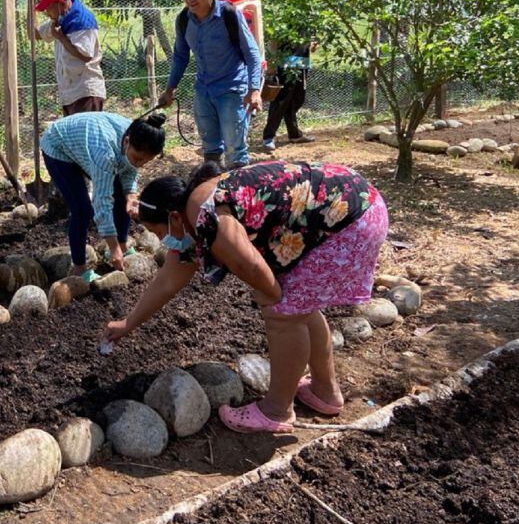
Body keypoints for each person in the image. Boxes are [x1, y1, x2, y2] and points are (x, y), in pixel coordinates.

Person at [104, 160, 389, 433]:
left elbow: (250, 265)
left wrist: (274, 295)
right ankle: (324, 393)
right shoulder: (192, 218)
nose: (162, 239)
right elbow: (167, 280)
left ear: (173, 216)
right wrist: (128, 323)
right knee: (299, 305)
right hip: (355, 205)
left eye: (158, 231)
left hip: (350, 220)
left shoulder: (204, 215)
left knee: (283, 311)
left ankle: (276, 411)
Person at [41, 112, 166, 282]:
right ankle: (79, 269)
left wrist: (130, 194)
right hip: (58, 146)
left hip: (86, 143)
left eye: (145, 161)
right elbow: (102, 202)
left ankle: (121, 247)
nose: (139, 164)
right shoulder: (105, 153)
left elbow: (130, 169)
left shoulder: (139, 134)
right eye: (137, 158)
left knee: (122, 197)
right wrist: (112, 245)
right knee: (82, 210)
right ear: (127, 142)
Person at [157, 0, 263, 169]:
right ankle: (214, 192)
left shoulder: (228, 15)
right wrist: (169, 90)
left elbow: (252, 54)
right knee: (210, 148)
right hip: (204, 90)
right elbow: (180, 56)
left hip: (232, 89)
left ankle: (238, 196)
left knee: (235, 150)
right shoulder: (184, 19)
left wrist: (254, 90)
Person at [27, 0, 106, 115]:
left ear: (60, 4)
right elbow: (33, 34)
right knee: (72, 135)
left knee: (85, 134)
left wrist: (61, 37)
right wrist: (30, 2)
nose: (46, 13)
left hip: (85, 92)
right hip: (69, 94)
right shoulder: (59, 19)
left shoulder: (82, 21)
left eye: (48, 8)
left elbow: (85, 56)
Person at [262, 38, 319, 150]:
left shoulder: (310, 22)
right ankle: (268, 137)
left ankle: (294, 134)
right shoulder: (287, 21)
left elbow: (312, 45)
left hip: (302, 63)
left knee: (297, 99)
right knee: (281, 101)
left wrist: (312, 45)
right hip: (285, 64)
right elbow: (273, 40)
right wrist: (272, 62)